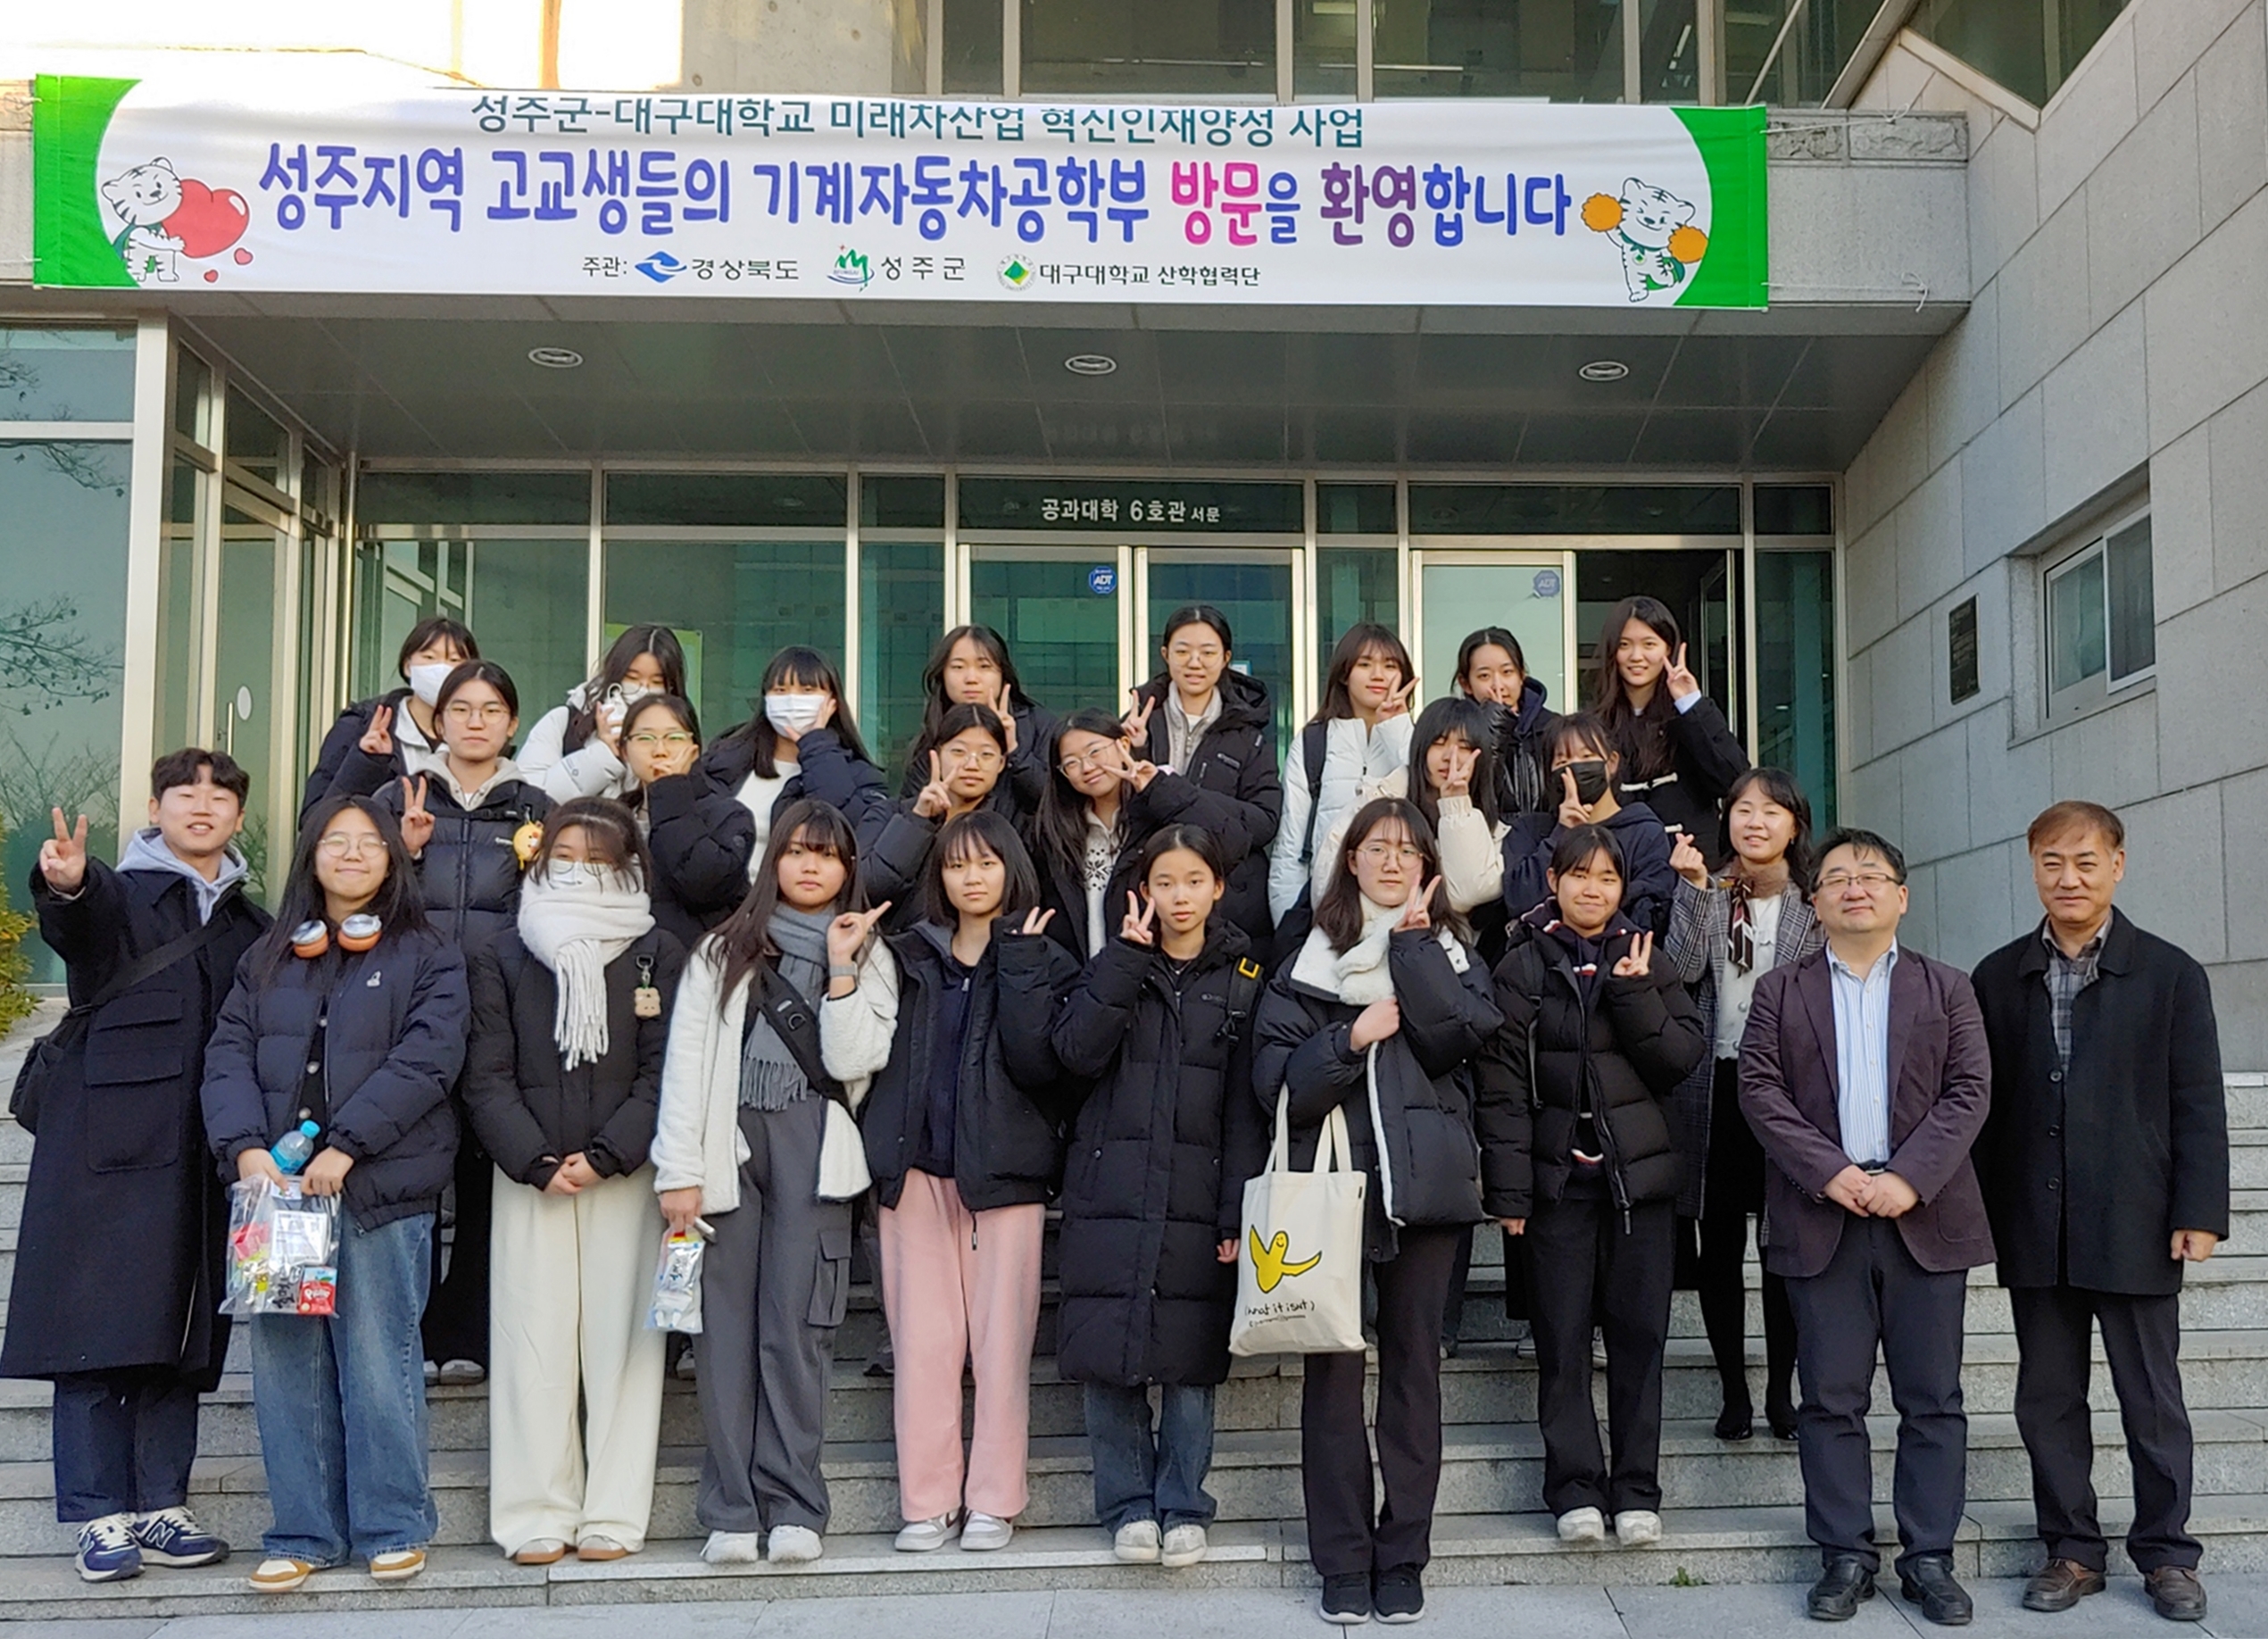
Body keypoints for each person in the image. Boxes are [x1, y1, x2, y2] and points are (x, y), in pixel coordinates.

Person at [4, 751, 270, 1583]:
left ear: (238, 817)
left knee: (183, 1327)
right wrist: (67, 884)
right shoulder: (120, 895)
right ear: (156, 809)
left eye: (219, 796)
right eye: (185, 793)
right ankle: (98, 1515)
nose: (202, 805)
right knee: (92, 1330)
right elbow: (77, 924)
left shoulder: (251, 926)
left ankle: (161, 1502)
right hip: (104, 1148)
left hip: (205, 1150)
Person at [199, 797, 469, 1593]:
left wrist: (348, 1145)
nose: (351, 854)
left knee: (380, 1363)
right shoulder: (269, 955)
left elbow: (429, 1059)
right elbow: (227, 1055)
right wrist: (245, 1148)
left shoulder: (429, 951)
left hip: (379, 1188)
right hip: (278, 1199)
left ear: (393, 858)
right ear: (310, 856)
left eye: (368, 843)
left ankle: (393, 1526)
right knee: (287, 1367)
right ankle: (302, 1533)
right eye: (335, 842)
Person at [1972, 801, 2229, 1624]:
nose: (2068, 878)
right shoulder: (1997, 976)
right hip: (2034, 1222)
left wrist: (2199, 1209)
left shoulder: (2169, 973)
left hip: (2136, 1218)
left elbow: (2197, 1100)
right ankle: (2072, 1549)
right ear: (2032, 868)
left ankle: (2167, 1553)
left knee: (2151, 1400)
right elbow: (1980, 1106)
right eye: (2051, 862)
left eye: (2085, 861)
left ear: (2117, 865)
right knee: (2046, 1399)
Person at [1253, 796, 1502, 1626]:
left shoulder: (1454, 953)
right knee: (1330, 1382)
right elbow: (1275, 1086)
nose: (1391, 862)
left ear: (1428, 866)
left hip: (1424, 1197)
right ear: (1349, 860)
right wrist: (1348, 1040)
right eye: (1376, 848)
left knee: (1414, 1379)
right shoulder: (1306, 957)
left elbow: (1458, 1039)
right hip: (1331, 1193)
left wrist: (1413, 949)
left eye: (1407, 850)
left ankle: (1402, 1558)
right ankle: (1342, 1560)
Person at [1738, 829, 1993, 1627]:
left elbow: (1969, 1090)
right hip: (1823, 1215)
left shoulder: (1947, 987)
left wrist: (1908, 1177)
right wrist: (1832, 1172)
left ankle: (1929, 1557)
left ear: (1900, 897)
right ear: (1812, 901)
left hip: (1924, 1214)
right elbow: (1759, 1091)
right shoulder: (1779, 991)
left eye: (1871, 876)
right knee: (1828, 1399)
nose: (1855, 887)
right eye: (1837, 877)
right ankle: (1843, 1555)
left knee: (1933, 1399)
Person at [651, 799, 897, 1566]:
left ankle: (794, 1506)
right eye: (796, 851)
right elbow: (686, 1065)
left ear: (847, 868)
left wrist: (843, 966)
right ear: (773, 861)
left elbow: (855, 1061)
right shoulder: (721, 950)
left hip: (814, 1148)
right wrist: (678, 1171)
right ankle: (730, 1510)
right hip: (726, 1149)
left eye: (826, 854)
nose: (809, 866)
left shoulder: (871, 954)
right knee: (724, 1337)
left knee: (797, 1333)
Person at [836, 811, 1083, 1555]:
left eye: (984, 863)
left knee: (1001, 1349)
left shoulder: (1045, 956)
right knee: (923, 1345)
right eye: (955, 865)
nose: (970, 878)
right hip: (913, 1170)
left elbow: (1045, 1065)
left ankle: (994, 1501)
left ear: (1010, 869)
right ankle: (928, 1500)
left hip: (1003, 1178)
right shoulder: (907, 955)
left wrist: (1024, 963)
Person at [462, 797, 686, 1566]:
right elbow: (485, 1073)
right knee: (531, 1341)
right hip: (531, 1177)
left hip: (625, 1172)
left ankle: (612, 1514)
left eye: (599, 860)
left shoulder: (657, 948)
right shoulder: (502, 950)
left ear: (629, 866)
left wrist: (608, 1153)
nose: (580, 870)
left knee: (626, 1348)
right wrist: (533, 1159)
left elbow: (666, 1070)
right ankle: (536, 1513)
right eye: (565, 856)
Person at [1477, 824, 1707, 1550]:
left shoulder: (1647, 957)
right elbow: (1500, 1089)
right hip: (1557, 1187)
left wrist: (1636, 997)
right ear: (1553, 882)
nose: (1592, 890)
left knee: (1639, 1340)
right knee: (1562, 1340)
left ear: (1621, 888)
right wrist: (1509, 1194)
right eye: (1578, 875)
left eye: (1607, 878)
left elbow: (1681, 1059)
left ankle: (1636, 1490)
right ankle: (1574, 1488)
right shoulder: (1520, 964)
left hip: (1638, 1185)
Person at [1051, 825, 1266, 1570]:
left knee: (1189, 1358)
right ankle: (1126, 1505)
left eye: (1193, 881)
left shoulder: (1244, 976)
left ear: (1217, 887)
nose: (1179, 896)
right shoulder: (1113, 965)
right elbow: (1074, 1054)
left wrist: (1235, 1209)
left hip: (1197, 1192)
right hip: (1108, 1187)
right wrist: (1123, 961)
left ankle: (1182, 1504)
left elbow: (1247, 1110)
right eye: (1164, 882)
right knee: (1106, 1353)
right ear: (1142, 890)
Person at [376, 658, 551, 1386]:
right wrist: (405, 853)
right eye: (461, 709)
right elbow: (354, 891)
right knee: (413, 1175)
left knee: (483, 1178)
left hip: (495, 1015)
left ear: (512, 723)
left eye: (491, 710)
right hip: (407, 1016)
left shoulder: (536, 807)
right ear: (438, 720)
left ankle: (469, 1329)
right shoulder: (397, 797)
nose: (475, 722)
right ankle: (408, 1330)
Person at [1663, 768, 1824, 1443]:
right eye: (1743, 810)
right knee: (1720, 1245)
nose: (1755, 823)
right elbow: (1679, 972)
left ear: (1794, 825)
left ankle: (1782, 1390)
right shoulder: (1709, 888)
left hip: (1787, 1093)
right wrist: (1695, 891)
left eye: (1770, 812)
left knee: (1782, 1245)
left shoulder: (1814, 902)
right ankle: (1733, 1390)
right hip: (1714, 1086)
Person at [656, 646, 891, 924]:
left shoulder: (859, 776)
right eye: (780, 690)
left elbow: (847, 835)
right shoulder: (723, 762)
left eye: (807, 690)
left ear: (832, 702)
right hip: (720, 920)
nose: (792, 700)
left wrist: (817, 747)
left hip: (801, 925)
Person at [1029, 709, 1256, 961]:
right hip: (1085, 979)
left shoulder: (1158, 810)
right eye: (1071, 762)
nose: (1087, 767)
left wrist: (1158, 788)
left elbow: (1232, 845)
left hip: (1156, 972)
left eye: (1095, 752)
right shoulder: (1055, 833)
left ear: (1123, 745)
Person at [1121, 604, 1284, 949]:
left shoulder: (1248, 734)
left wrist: (1178, 793)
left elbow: (1264, 821)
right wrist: (1136, 750)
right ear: (1165, 654)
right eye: (1183, 651)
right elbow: (1120, 809)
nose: (1195, 662)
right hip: (1154, 896)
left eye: (1207, 652)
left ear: (1226, 658)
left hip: (1231, 902)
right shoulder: (1139, 724)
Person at [1267, 623, 1417, 958]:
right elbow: (1290, 844)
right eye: (1365, 664)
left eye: (1390, 665)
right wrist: (1290, 924)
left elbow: (1426, 802)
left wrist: (1397, 726)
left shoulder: (1414, 739)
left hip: (1397, 921)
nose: (1378, 675)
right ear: (1344, 674)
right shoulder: (1314, 742)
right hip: (1324, 921)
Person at [1588, 596, 1749, 866]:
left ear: (1669, 648)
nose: (1636, 656)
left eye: (1649, 644)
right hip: (1618, 871)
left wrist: (1690, 704)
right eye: (1624, 645)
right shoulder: (1595, 724)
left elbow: (1733, 779)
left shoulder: (1690, 711)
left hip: (1692, 867)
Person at [1502, 713, 1678, 937]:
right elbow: (1518, 900)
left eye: (1587, 757)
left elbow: (1651, 912)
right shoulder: (1531, 830)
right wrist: (1562, 832)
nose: (1576, 767)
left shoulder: (1645, 831)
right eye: (1563, 762)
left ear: (1611, 763)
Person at [299, 617, 478, 826]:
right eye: (430, 657)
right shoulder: (362, 725)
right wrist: (366, 762)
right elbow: (314, 820)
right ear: (408, 665)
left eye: (455, 660)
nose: (442, 669)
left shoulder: (482, 736)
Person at [862, 702, 1013, 927]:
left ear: (1001, 763)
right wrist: (918, 820)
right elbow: (866, 887)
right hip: (900, 944)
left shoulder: (1011, 822)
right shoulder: (889, 814)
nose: (972, 764)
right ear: (937, 754)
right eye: (959, 752)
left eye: (986, 754)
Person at [614, 693, 742, 949]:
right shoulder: (611, 818)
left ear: (694, 750)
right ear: (624, 750)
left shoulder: (727, 815)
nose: (660, 751)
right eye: (645, 738)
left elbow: (700, 885)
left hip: (694, 960)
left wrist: (670, 790)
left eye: (674, 738)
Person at [517, 624, 689, 803]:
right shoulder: (564, 722)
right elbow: (530, 798)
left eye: (657, 682)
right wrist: (602, 756)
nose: (643, 689)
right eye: (632, 678)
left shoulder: (682, 737)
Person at [898, 624, 1057, 816]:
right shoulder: (932, 734)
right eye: (958, 667)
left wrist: (1015, 751)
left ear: (1003, 673)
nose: (971, 678)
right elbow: (910, 812)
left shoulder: (1038, 725)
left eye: (984, 666)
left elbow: (1056, 803)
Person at [1454, 626, 1559, 818]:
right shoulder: (1458, 734)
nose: (1498, 685)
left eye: (1507, 672)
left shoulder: (1554, 727)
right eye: (1484, 676)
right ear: (1466, 684)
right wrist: (1494, 729)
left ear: (1521, 675)